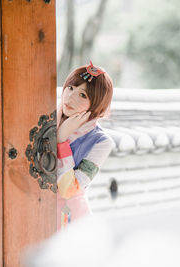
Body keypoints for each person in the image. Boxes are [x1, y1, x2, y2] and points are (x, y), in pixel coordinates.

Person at [56, 61, 114, 230]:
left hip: (70, 221)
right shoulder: (44, 120)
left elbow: (68, 190)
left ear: (96, 105)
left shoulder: (101, 142)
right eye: (71, 88)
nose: (70, 97)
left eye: (83, 95)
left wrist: (62, 141)